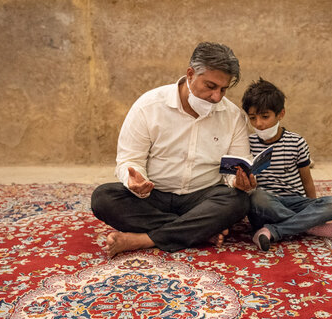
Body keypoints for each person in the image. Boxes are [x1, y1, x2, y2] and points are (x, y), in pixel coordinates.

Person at [91, 42, 256, 256]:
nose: (217, 97)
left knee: (238, 201)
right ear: (190, 74)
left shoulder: (232, 116)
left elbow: (234, 170)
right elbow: (129, 161)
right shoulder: (148, 106)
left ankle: (143, 239)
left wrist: (240, 181)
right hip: (153, 196)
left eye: (223, 89)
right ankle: (199, 230)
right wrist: (134, 181)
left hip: (202, 197)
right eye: (210, 86)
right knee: (103, 198)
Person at [241, 78, 332, 251]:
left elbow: (307, 181)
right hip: (266, 205)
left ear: (281, 114)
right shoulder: (247, 143)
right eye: (253, 118)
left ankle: (273, 231)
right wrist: (312, 218)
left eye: (265, 116)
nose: (259, 123)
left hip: (294, 200)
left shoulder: (296, 142)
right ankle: (311, 227)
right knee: (256, 197)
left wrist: (313, 206)